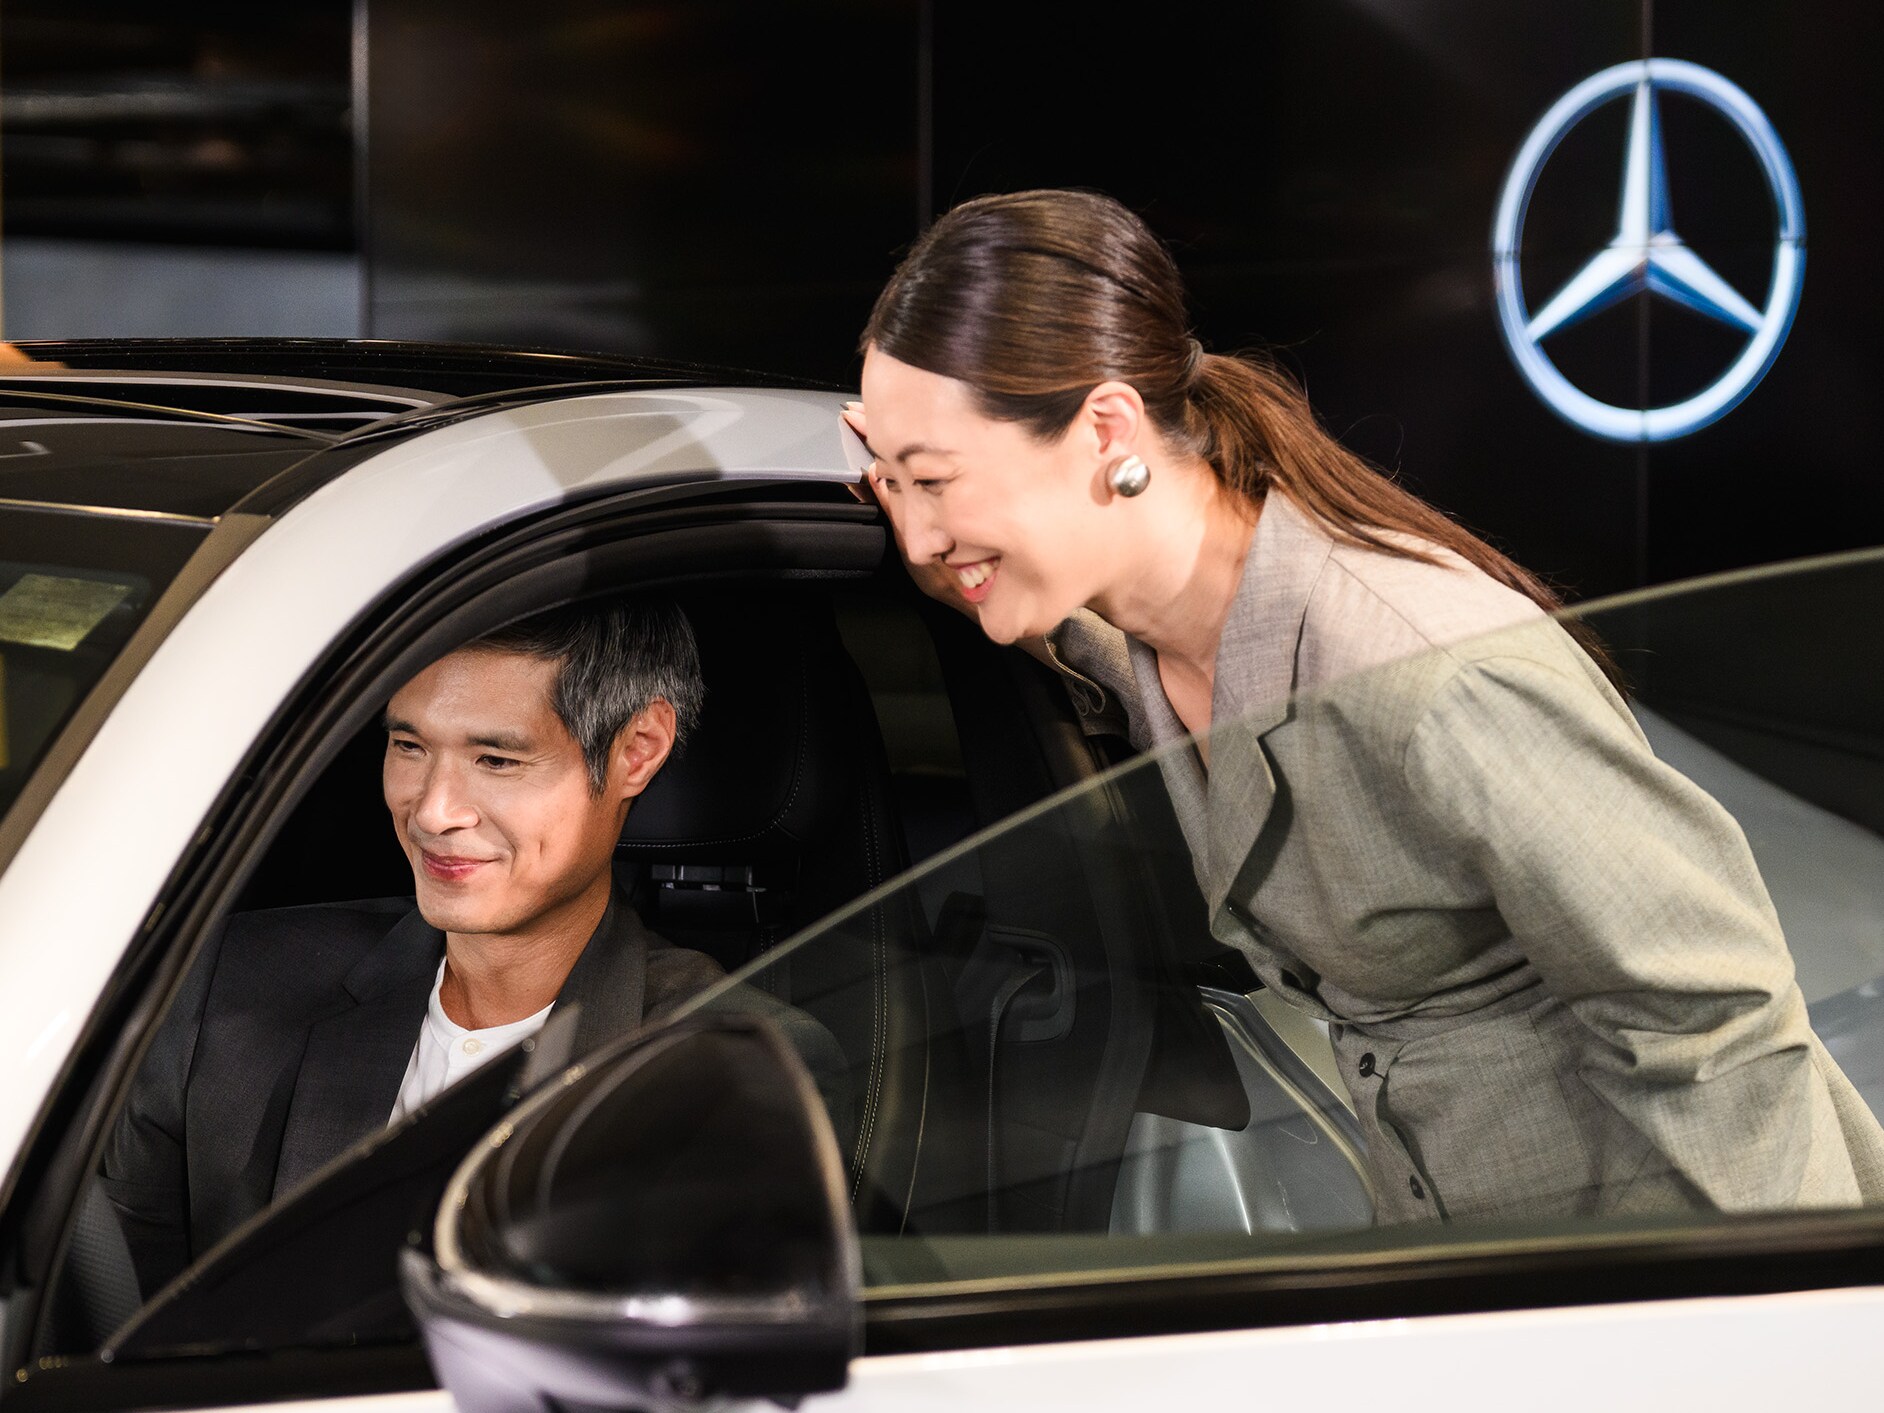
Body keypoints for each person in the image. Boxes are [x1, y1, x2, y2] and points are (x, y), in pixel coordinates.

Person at [844, 188, 1884, 1225]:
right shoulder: (1141, 631)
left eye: (936, 480)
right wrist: (899, 480)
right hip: (1451, 1254)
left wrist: (1739, 1334)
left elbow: (1713, 1024)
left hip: (1638, 1264)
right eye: (896, 487)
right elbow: (1012, 601)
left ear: (1106, 426)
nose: (924, 535)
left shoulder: (1424, 671)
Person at [99, 599, 848, 1297]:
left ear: (636, 750)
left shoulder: (729, 1073)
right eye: (409, 745)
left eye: (497, 760)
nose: (432, 809)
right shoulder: (233, 987)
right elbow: (105, 1314)